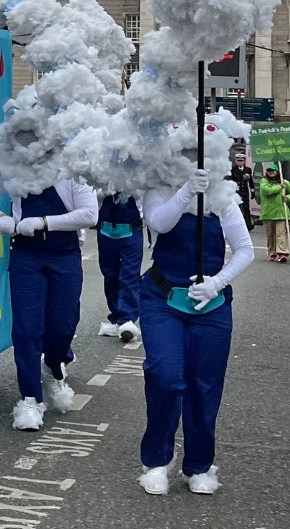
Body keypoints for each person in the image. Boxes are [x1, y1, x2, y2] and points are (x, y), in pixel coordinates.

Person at [138, 167, 254, 496]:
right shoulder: (157, 187)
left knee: (204, 387)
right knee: (165, 373)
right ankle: (157, 460)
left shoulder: (223, 196)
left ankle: (200, 464)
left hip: (211, 307)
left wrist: (217, 283)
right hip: (162, 299)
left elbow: (245, 249)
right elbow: (159, 222)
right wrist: (188, 190)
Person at [0, 170, 98, 430]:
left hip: (64, 254)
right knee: (26, 328)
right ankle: (30, 399)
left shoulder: (71, 166)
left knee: (63, 325)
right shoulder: (10, 161)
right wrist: (0, 217)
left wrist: (43, 222)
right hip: (26, 254)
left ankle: (53, 366)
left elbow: (89, 214)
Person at [96, 192, 143, 342]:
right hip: (106, 228)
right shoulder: (101, 170)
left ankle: (127, 318)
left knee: (129, 274)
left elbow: (141, 192)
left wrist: (124, 186)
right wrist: (105, 189)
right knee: (110, 274)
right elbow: (90, 193)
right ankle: (117, 316)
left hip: (131, 228)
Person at [258, 164, 289, 262]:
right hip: (267, 213)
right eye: (269, 170)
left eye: (273, 170)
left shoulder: (285, 183)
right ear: (266, 172)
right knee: (270, 235)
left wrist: (287, 198)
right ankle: (272, 253)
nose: (271, 172)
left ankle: (282, 253)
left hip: (281, 213)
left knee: (281, 233)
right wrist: (280, 187)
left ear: (277, 172)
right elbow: (267, 191)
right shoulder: (263, 182)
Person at [230, 162, 254, 231]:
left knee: (246, 208)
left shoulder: (248, 169)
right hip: (236, 192)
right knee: (236, 208)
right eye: (238, 160)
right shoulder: (233, 169)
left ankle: (248, 224)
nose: (240, 162)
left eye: (241, 160)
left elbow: (251, 181)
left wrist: (252, 191)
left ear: (244, 161)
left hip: (245, 191)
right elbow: (230, 180)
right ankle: (236, 225)